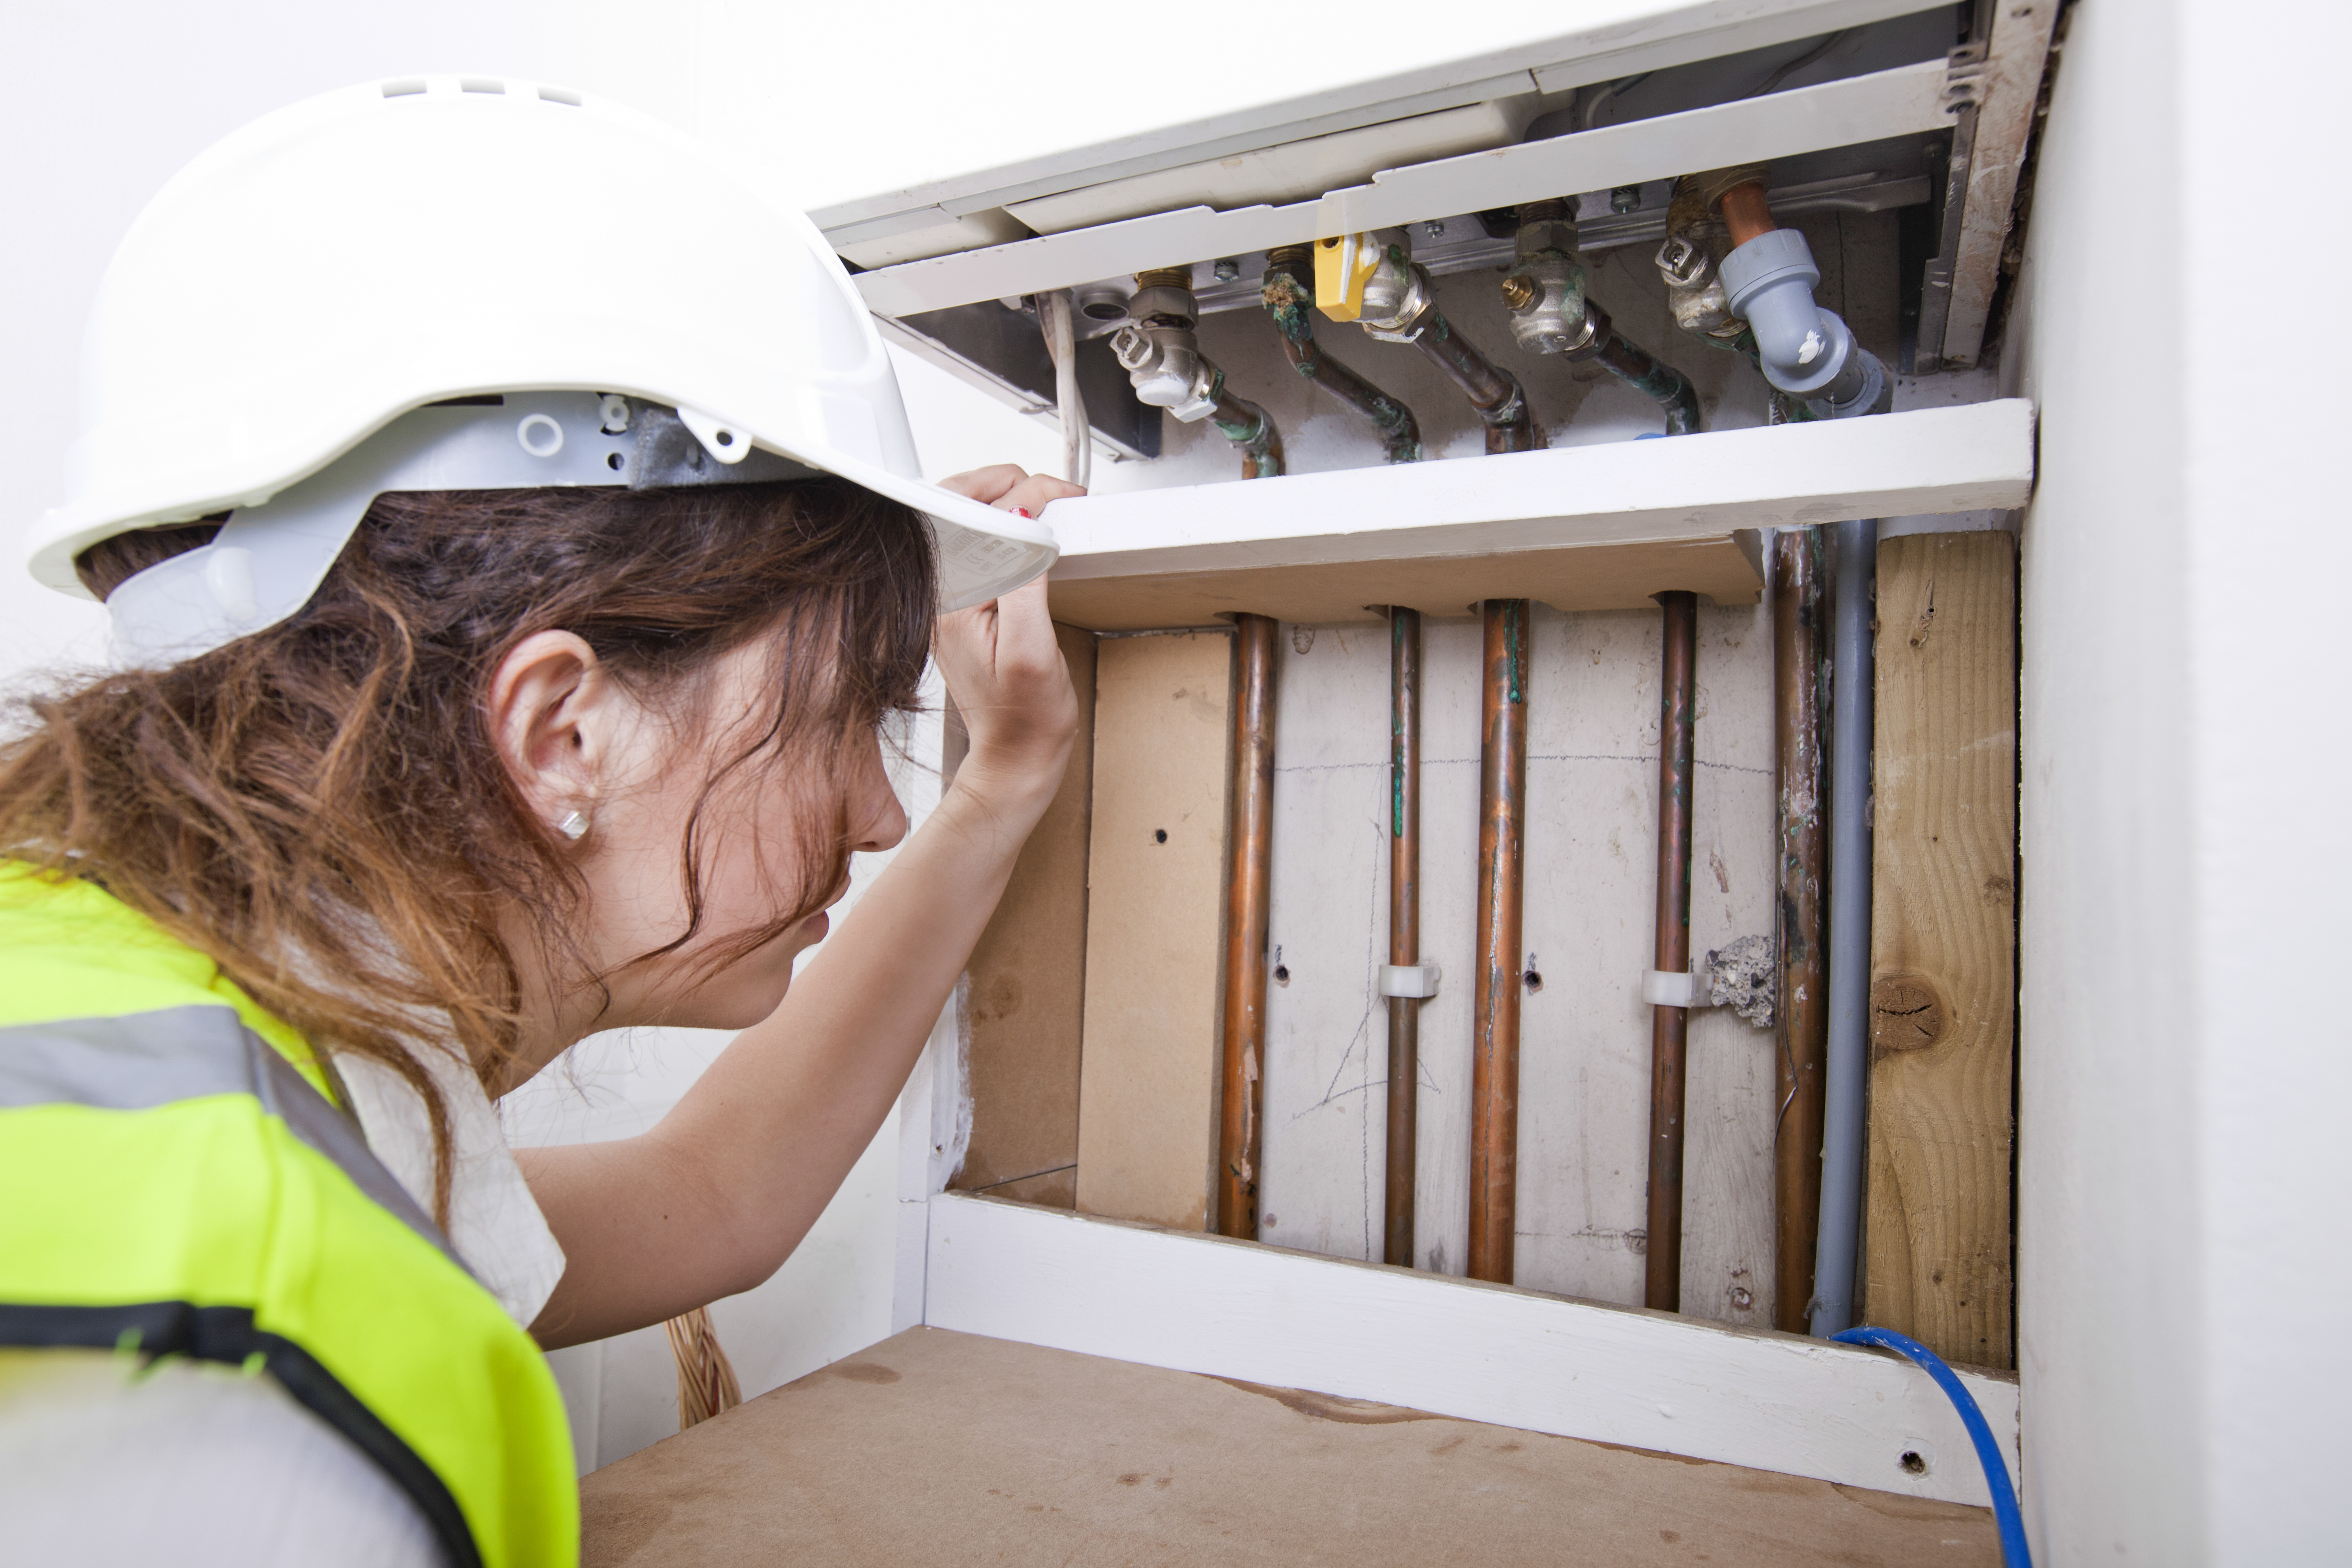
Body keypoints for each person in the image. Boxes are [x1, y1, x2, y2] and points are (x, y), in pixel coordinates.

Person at [0, 76, 1079, 1568]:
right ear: (561, 726)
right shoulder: (272, 1359)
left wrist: (1003, 780)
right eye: (854, 712)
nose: (880, 808)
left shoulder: (132, 1007)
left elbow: (709, 1197)